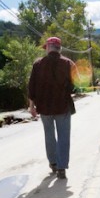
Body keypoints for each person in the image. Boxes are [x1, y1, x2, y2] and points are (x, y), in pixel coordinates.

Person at [27, 36, 78, 179]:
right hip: (62, 107)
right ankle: (62, 168)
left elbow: (31, 87)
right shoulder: (68, 63)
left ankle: (53, 163)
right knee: (64, 137)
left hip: (44, 108)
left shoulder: (37, 64)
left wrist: (32, 106)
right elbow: (76, 85)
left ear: (49, 48)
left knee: (49, 135)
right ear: (59, 48)